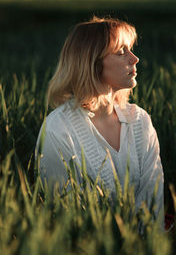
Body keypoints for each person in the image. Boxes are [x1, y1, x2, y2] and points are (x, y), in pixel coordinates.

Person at [35, 16, 164, 224]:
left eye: (130, 49)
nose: (134, 59)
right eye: (121, 52)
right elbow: (64, 218)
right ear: (92, 62)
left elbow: (153, 203)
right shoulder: (58, 130)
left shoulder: (140, 121)